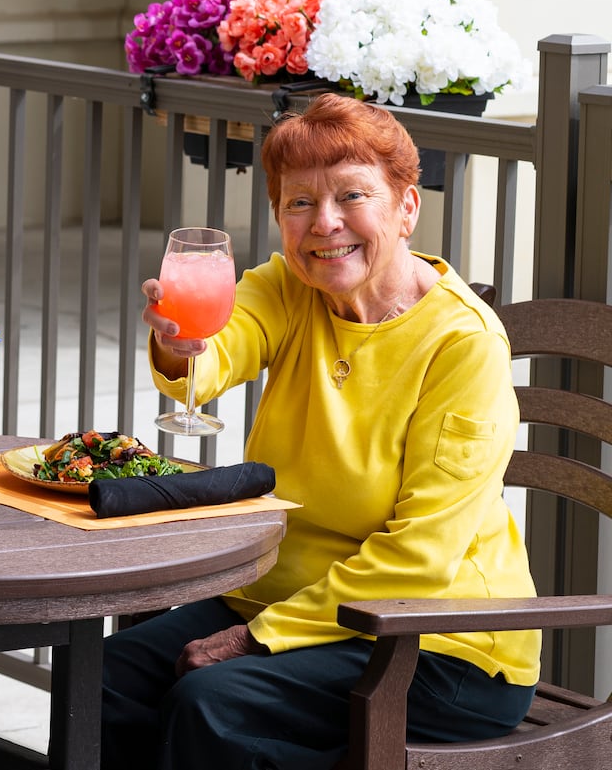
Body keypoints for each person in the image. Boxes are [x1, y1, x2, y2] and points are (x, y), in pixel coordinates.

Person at [104, 93, 539, 770]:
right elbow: (220, 346)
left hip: (438, 641)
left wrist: (257, 637)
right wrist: (180, 345)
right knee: (104, 677)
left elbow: (419, 560)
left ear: (407, 207)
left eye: (351, 196)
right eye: (298, 203)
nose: (324, 223)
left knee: (211, 701)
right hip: (286, 599)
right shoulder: (289, 285)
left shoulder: (464, 344)